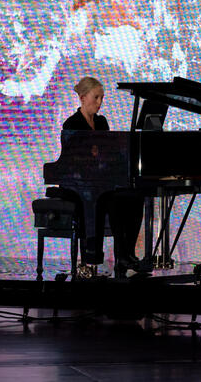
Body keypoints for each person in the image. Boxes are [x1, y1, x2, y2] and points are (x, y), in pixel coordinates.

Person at [61, 77, 144, 276]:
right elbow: (73, 161)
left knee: (135, 197)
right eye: (95, 97)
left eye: (101, 98)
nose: (99, 103)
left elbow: (109, 152)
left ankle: (127, 253)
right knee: (112, 199)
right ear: (82, 98)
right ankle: (104, 257)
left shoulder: (101, 122)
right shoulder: (72, 123)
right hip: (77, 185)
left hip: (100, 181)